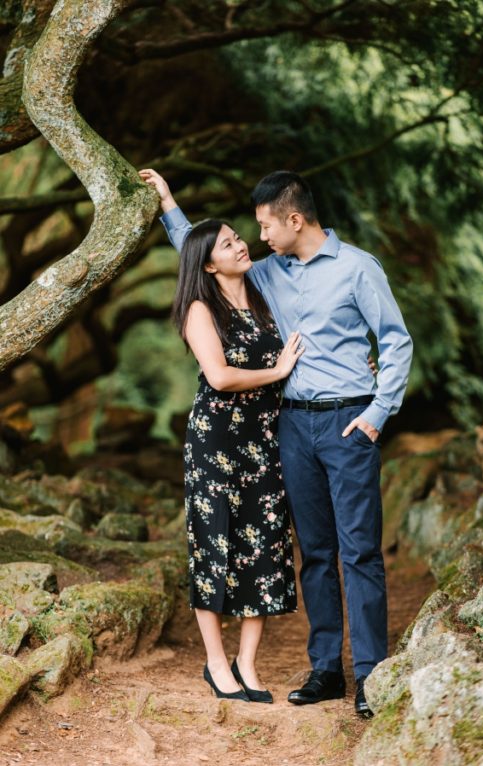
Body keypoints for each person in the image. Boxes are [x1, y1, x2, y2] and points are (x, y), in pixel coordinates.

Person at [142, 168, 413, 719]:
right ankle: (326, 670)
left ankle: (369, 675)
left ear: (294, 220)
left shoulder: (359, 269)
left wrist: (377, 413)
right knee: (313, 552)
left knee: (358, 551)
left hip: (348, 423)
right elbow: (198, 254)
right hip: (289, 425)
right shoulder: (265, 273)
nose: (257, 236)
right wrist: (168, 203)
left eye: (265, 226)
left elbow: (395, 340)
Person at [155, 187, 304, 703]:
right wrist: (278, 370)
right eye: (227, 244)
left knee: (264, 544)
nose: (241, 244)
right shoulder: (200, 307)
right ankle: (216, 663)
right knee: (215, 543)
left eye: (239, 237)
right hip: (216, 440)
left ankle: (247, 662)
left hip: (264, 439)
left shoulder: (263, 295)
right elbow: (217, 377)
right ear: (210, 265)